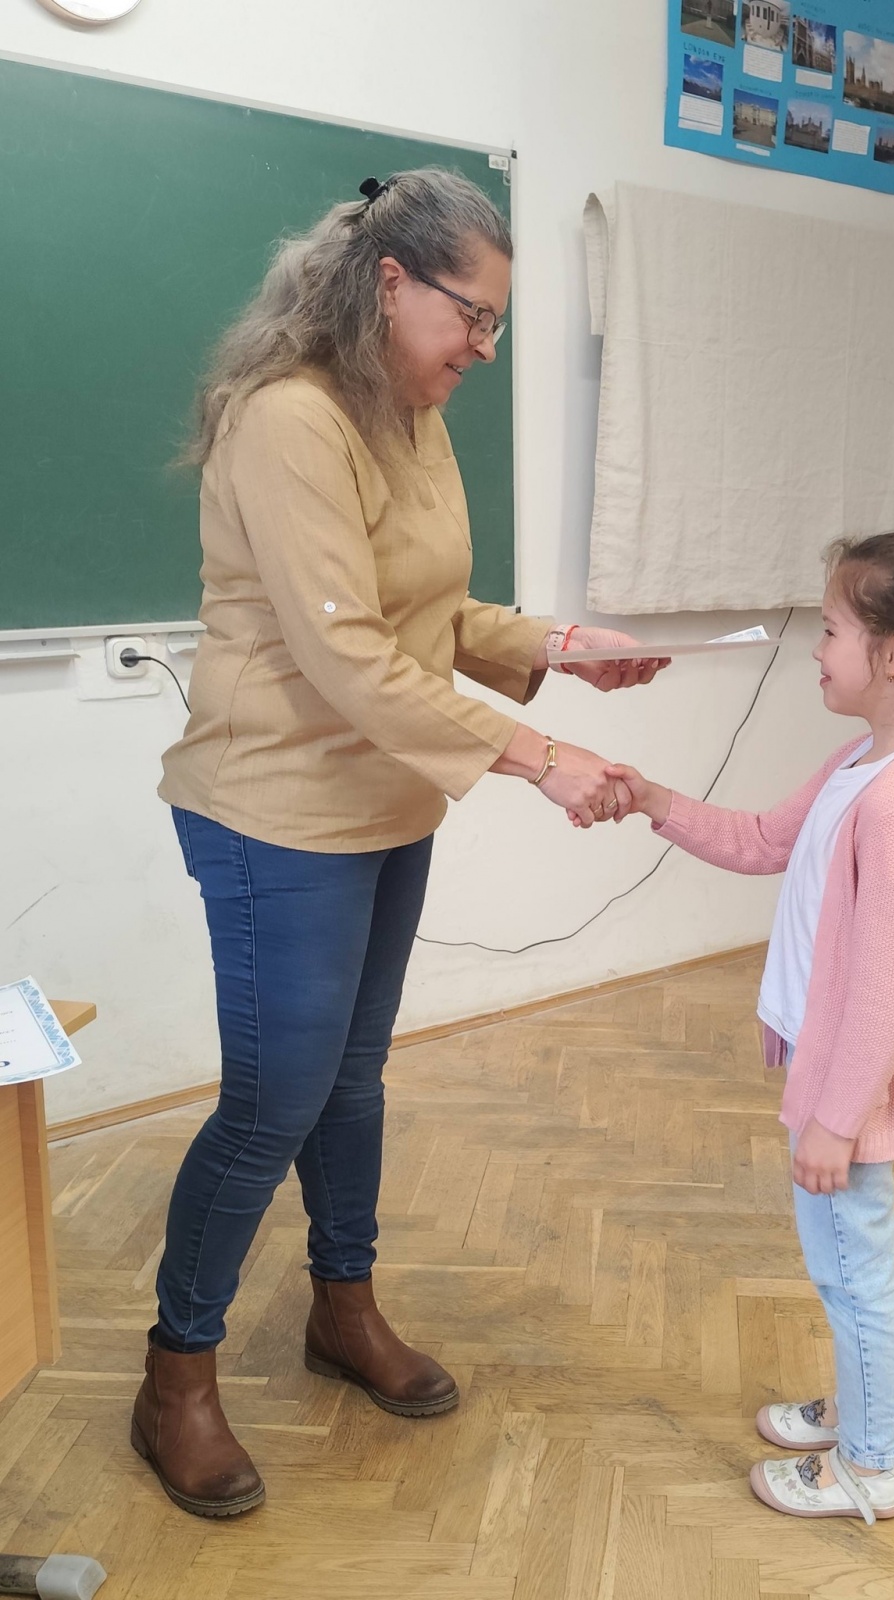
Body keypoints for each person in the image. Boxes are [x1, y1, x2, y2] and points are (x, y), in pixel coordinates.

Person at [134, 168, 665, 1518]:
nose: (481, 349)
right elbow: (348, 654)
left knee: (352, 1081)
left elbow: (432, 612)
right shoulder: (289, 417)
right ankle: (176, 1375)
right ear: (389, 282)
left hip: (384, 806)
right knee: (273, 1104)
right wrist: (543, 758)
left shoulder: (409, 412)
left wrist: (559, 644)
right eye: (470, 316)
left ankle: (344, 1309)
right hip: (272, 811)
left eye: (495, 324)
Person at [606, 532, 894, 1522]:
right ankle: (857, 1412)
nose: (815, 647)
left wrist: (836, 1120)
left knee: (854, 1276)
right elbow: (763, 840)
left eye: (832, 629)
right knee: (842, 1268)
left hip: (848, 1098)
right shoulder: (861, 761)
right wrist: (654, 801)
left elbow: (886, 991)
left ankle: (870, 1465)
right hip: (831, 1081)